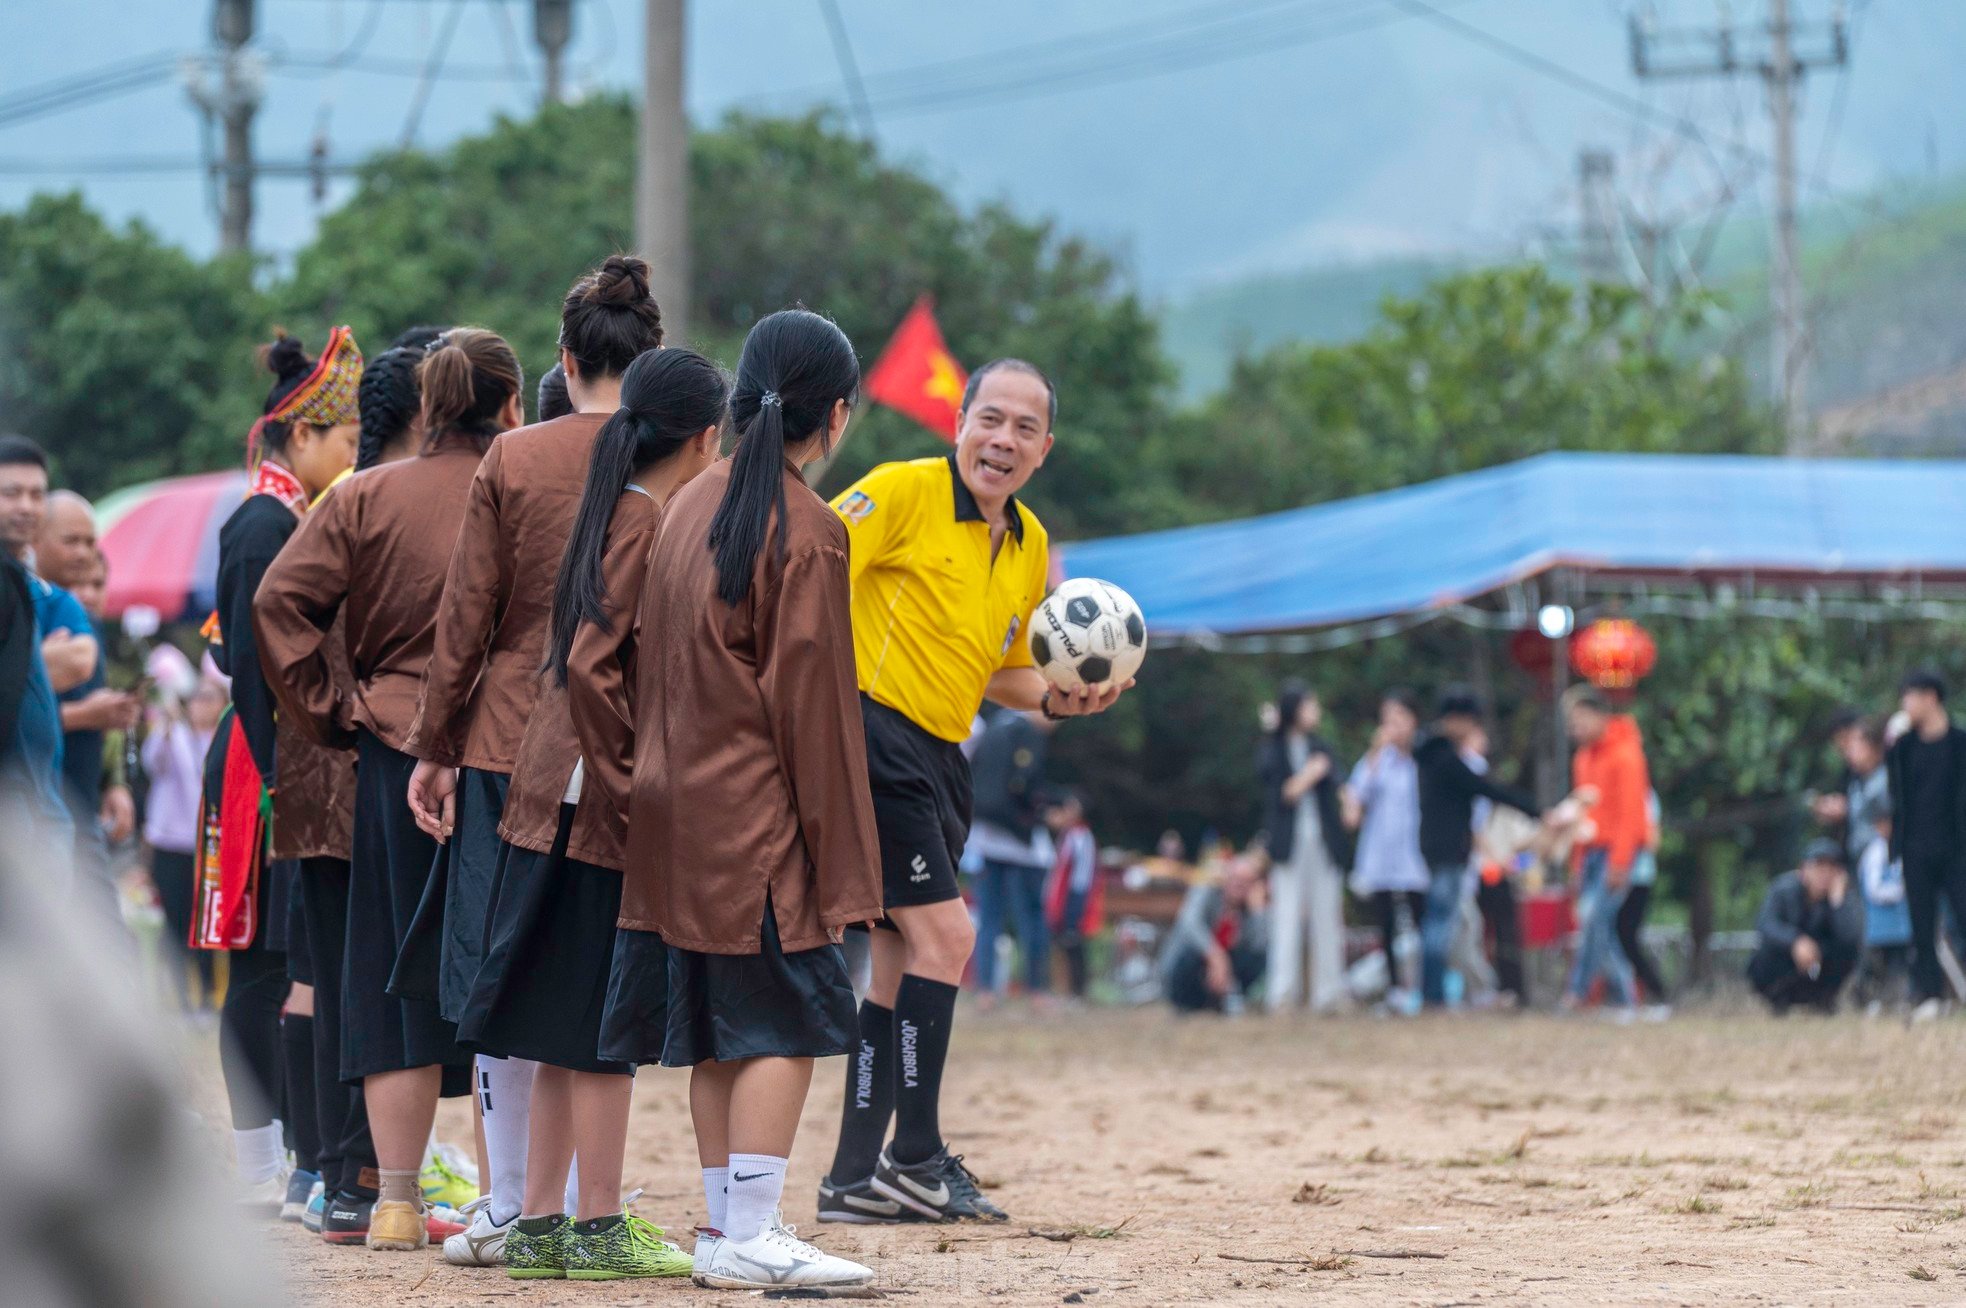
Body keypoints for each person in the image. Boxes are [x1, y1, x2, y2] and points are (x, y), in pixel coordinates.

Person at [597, 309, 879, 1289]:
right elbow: (814, 716)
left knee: (720, 1030)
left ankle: (724, 1230)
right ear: (835, 415)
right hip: (758, 823)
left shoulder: (688, 502)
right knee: (785, 1024)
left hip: (673, 814)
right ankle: (753, 1228)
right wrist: (844, 861)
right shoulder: (809, 530)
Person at [817, 356, 1124, 1228]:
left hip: (941, 756)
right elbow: (807, 570)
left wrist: (1066, 697)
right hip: (872, 737)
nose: (1004, 439)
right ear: (961, 422)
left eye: (1025, 429)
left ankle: (849, 1178)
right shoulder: (901, 490)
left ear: (1044, 449)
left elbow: (1005, 673)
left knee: (893, 964)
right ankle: (915, 1157)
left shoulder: (1029, 544)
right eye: (991, 419)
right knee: (948, 934)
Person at [403, 259, 665, 1258]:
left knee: (500, 968)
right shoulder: (663, 458)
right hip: (617, 747)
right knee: (587, 975)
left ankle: (509, 1198)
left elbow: (463, 615)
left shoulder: (511, 462)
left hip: (501, 740)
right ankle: (569, 1206)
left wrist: (435, 745)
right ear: (650, 361)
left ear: (564, 359)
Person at [456, 347, 726, 1281]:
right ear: (704, 437)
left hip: (552, 785)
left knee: (562, 1016)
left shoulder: (618, 507)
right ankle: (599, 1225)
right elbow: (590, 661)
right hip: (589, 799)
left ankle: (538, 1225)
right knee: (603, 1024)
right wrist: (627, 779)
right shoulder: (646, 522)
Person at [255, 329, 522, 1252]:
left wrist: (335, 712)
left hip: (390, 750)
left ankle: (395, 1201)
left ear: (427, 408)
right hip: (503, 750)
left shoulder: (363, 496)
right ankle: (506, 1200)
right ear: (513, 406)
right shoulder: (527, 488)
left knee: (384, 971)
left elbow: (277, 606)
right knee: (506, 974)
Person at [202, 330, 360, 1210]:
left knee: (286, 960)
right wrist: (276, 778)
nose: (352, 455)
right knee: (265, 964)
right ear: (302, 437)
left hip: (278, 756)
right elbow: (257, 669)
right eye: (343, 439)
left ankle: (294, 1156)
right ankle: (262, 1161)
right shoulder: (264, 525)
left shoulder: (286, 516)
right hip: (263, 759)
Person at [1414, 688, 1539, 1008]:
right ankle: (1433, 994)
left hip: (1439, 848)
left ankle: (1438, 992)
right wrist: (1533, 808)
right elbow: (1483, 788)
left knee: (1445, 923)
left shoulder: (1430, 754)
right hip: (1447, 850)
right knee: (1440, 924)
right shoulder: (1443, 757)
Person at [1258, 682, 1350, 1014]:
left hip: (1323, 842)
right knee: (1286, 915)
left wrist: (1348, 803)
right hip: (1289, 843)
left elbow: (1339, 783)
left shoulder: (1320, 746)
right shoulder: (1275, 748)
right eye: (1310, 705)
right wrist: (1309, 775)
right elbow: (1280, 790)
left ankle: (1329, 992)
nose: (1315, 712)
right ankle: (1282, 993)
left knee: (1327, 916)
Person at [1560, 686, 1649, 1015]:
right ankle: (1625, 996)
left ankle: (1576, 992)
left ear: (1600, 715)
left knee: (1597, 921)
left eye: (1580, 718)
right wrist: (1576, 861)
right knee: (1596, 926)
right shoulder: (1583, 758)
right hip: (1591, 852)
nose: (1575, 727)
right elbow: (1583, 816)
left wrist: (1621, 860)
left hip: (1616, 853)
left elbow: (1630, 813)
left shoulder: (1625, 754)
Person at [142, 677, 226, 1012]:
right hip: (171, 845)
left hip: (208, 845)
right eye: (196, 698)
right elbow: (154, 763)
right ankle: (178, 998)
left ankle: (206, 996)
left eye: (208, 698)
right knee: (174, 922)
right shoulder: (174, 734)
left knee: (205, 924)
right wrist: (165, 727)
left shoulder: (222, 740)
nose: (200, 704)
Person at [1887, 669, 1966, 1022]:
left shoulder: (1960, 744)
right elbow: (1896, 800)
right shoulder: (1902, 749)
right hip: (1916, 851)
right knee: (1921, 927)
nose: (1905, 704)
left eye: (1911, 695)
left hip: (1956, 850)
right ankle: (1930, 995)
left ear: (1931, 697)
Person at [968, 707, 1058, 1008]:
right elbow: (1025, 784)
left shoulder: (996, 724)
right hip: (1019, 840)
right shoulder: (1027, 732)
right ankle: (1037, 990)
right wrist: (1048, 814)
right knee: (1031, 917)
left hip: (985, 835)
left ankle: (986, 991)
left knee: (989, 918)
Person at [1344, 690, 1426, 1007]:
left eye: (1399, 718)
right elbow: (1356, 795)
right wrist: (1374, 753)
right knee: (1387, 925)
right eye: (1387, 720)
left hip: (1415, 854)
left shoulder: (1423, 758)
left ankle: (1419, 986)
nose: (1393, 726)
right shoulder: (1377, 762)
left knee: (1420, 922)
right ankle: (1394, 989)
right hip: (1381, 855)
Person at [1748, 839, 1866, 1013]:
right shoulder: (1782, 889)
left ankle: (1823, 1001)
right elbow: (1766, 924)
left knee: (1846, 951)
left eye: (1831, 868)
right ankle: (1778, 1000)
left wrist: (1838, 903)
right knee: (1765, 954)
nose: (1825, 874)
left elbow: (1850, 938)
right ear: (1803, 869)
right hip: (1785, 960)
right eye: (1819, 867)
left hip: (1821, 964)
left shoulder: (1842, 898)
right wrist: (1796, 941)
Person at [1161, 855, 1271, 1013]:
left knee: (1256, 957)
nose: (1239, 885)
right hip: (1195, 965)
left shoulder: (1250, 910)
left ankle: (1228, 1000)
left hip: (1228, 972)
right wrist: (1215, 955)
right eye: (1235, 879)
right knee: (1189, 954)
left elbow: (1259, 944)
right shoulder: (1207, 891)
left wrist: (1258, 912)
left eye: (1246, 881)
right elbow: (1190, 924)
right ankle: (1186, 1004)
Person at [1614, 791, 1672, 1016]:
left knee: (1626, 936)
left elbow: (1652, 839)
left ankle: (1654, 991)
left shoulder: (1643, 796)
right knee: (1618, 936)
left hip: (1636, 876)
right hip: (1618, 876)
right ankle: (1629, 993)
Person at [1044, 788, 1102, 1001]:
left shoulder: (1082, 836)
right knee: (1061, 944)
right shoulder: (1068, 835)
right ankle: (1064, 988)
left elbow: (1082, 876)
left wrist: (1075, 906)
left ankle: (1079, 990)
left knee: (1074, 944)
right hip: (1063, 898)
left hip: (1074, 899)